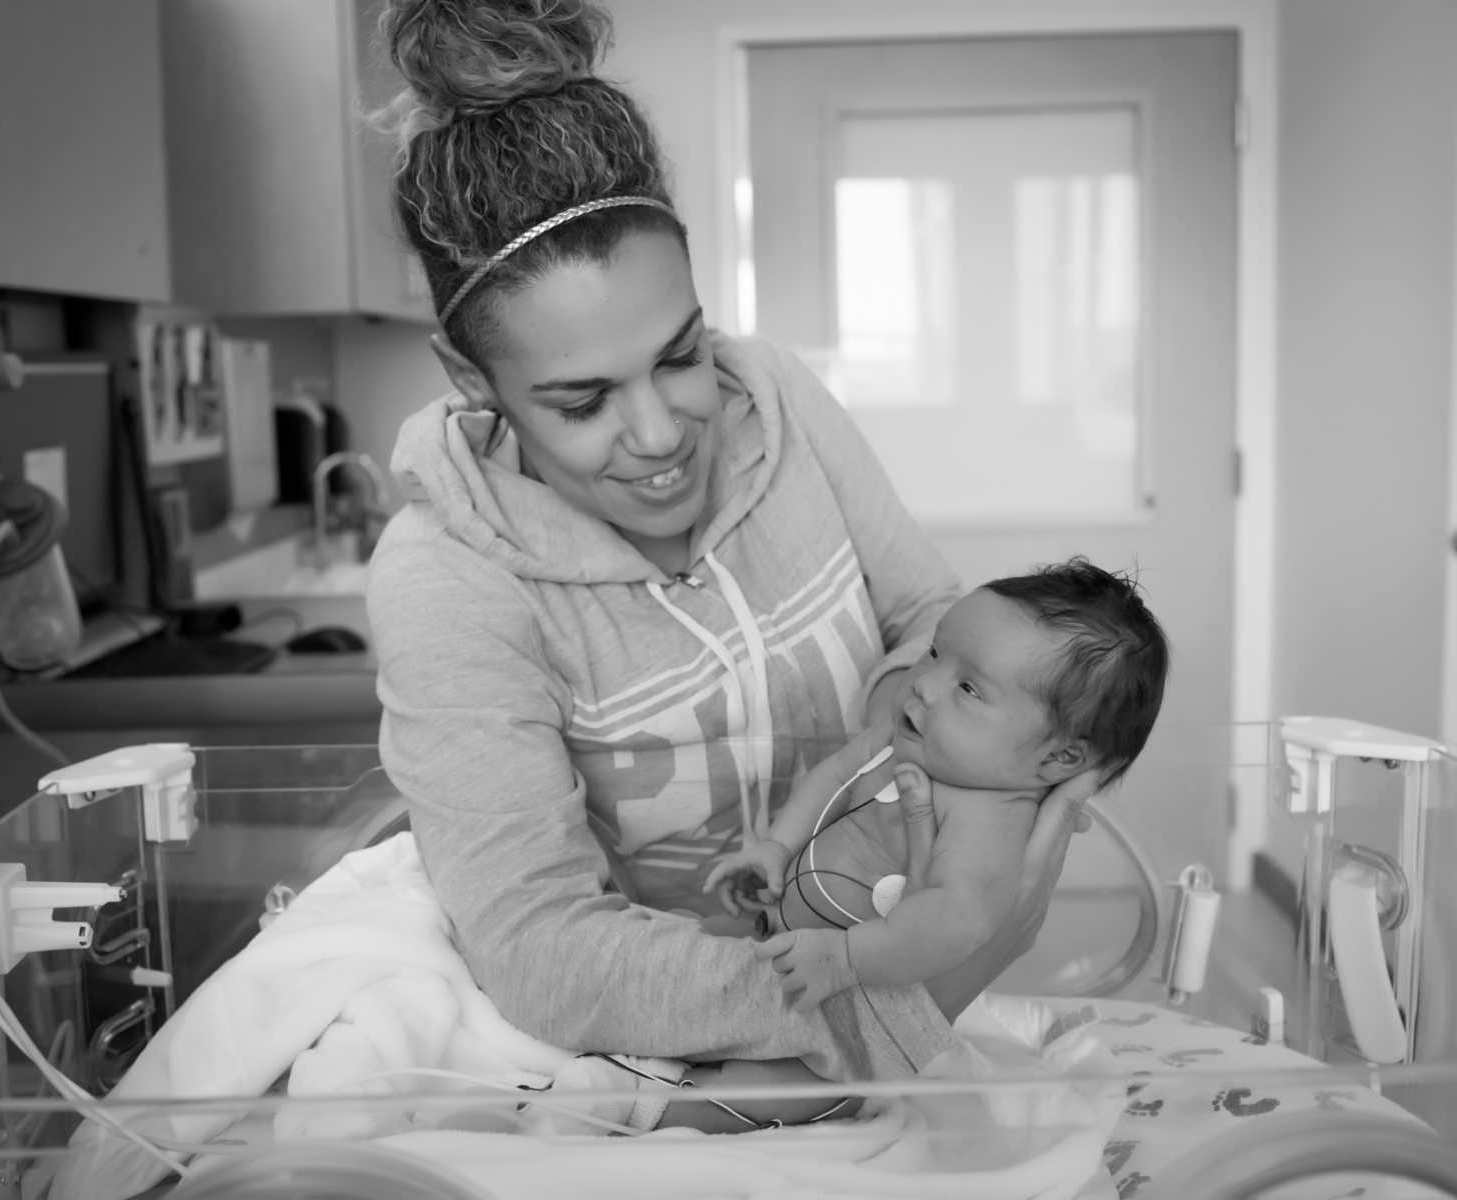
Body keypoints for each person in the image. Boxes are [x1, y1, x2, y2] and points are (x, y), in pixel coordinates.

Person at [367, 0, 1100, 1135]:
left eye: (679, 356)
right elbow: (541, 949)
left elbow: (927, 618)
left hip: (885, 1001)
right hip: (674, 1077)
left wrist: (965, 838)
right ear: (471, 380)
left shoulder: (780, 402)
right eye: (583, 401)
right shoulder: (447, 578)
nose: (661, 432)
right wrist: (875, 991)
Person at [703, 560, 1170, 1022]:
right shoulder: (898, 738)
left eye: (968, 688)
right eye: (933, 652)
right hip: (775, 937)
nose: (924, 684)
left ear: (1058, 759)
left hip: (839, 1001)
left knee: (770, 1082)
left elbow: (956, 920)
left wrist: (844, 958)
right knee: (688, 955)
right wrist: (776, 847)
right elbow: (830, 777)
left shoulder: (989, 819)